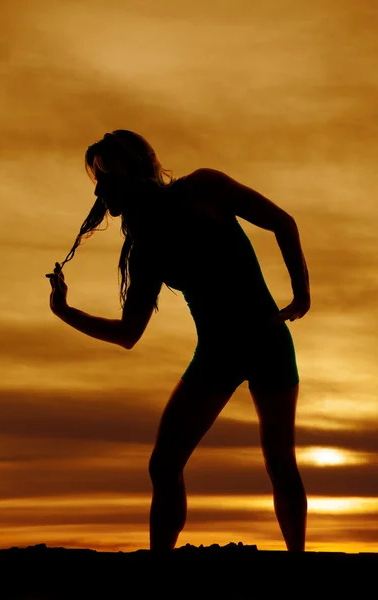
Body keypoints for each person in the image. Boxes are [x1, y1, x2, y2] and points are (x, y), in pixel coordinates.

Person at [46, 129, 310, 552]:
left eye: (107, 174)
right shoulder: (143, 250)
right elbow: (128, 334)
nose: (101, 188)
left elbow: (282, 222)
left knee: (280, 461)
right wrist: (65, 312)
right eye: (96, 178)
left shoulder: (203, 188)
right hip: (216, 354)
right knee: (164, 463)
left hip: (267, 342)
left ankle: (298, 562)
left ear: (136, 167)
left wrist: (301, 291)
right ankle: (161, 568)